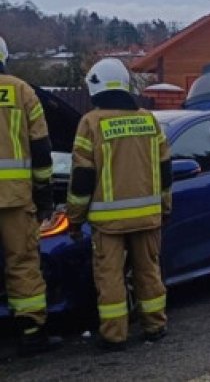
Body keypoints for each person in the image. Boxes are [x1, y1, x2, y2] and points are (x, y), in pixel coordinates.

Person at [65, 58, 172, 351]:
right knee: (148, 272)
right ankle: (155, 326)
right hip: (147, 216)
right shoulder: (149, 120)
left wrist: (74, 218)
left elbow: (82, 177)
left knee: (110, 277)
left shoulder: (91, 123)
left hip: (108, 222)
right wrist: (165, 207)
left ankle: (115, 335)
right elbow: (165, 170)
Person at [0, 36, 63, 356]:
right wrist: (44, 197)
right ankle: (31, 332)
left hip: (16, 195)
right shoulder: (22, 91)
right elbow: (41, 150)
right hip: (15, 197)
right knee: (22, 263)